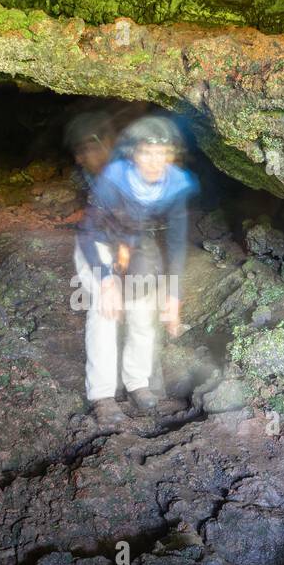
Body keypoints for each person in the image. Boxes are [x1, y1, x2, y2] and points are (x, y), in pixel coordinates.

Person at [73, 115, 196, 423]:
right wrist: (106, 279)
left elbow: (177, 242)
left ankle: (138, 383)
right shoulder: (114, 178)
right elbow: (89, 232)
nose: (154, 161)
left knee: (143, 312)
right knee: (106, 310)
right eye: (145, 153)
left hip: (135, 243)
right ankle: (102, 395)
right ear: (133, 155)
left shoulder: (176, 184)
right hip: (97, 244)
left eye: (161, 153)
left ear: (171, 156)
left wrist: (174, 294)